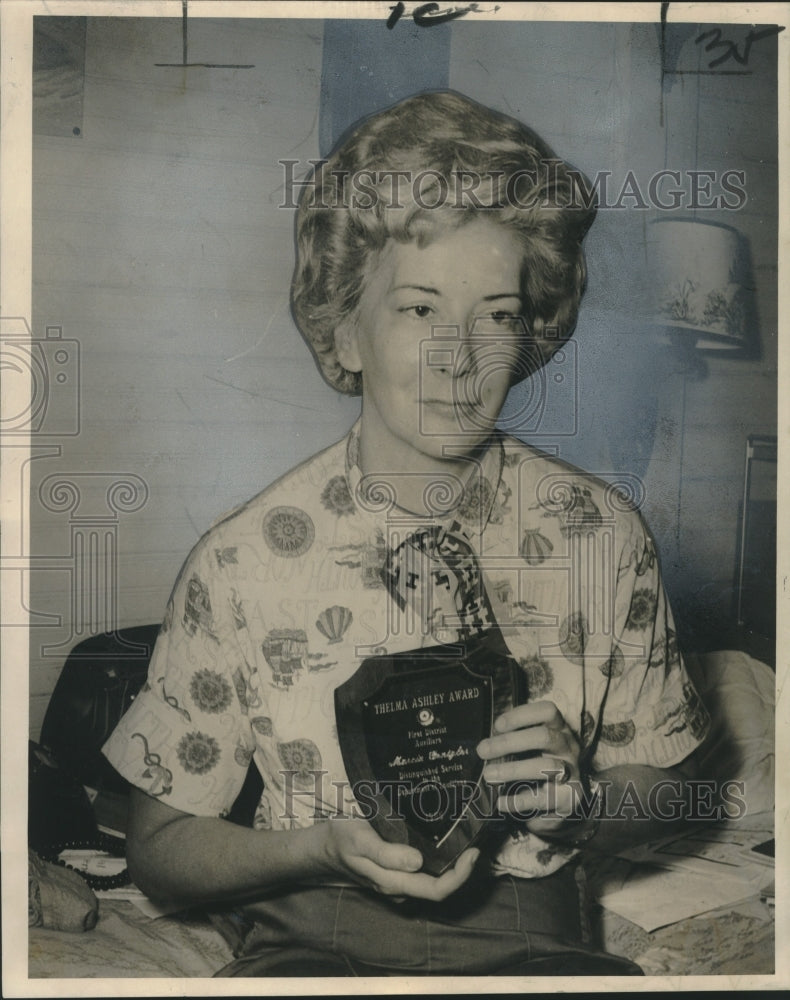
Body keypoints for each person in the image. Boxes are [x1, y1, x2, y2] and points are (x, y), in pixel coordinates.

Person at [102, 91, 710, 977]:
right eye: (421, 310)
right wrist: (316, 849)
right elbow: (157, 846)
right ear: (346, 328)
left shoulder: (602, 535)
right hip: (308, 944)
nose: (461, 357)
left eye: (497, 314)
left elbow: (669, 789)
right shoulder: (239, 562)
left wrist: (576, 802)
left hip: (537, 940)